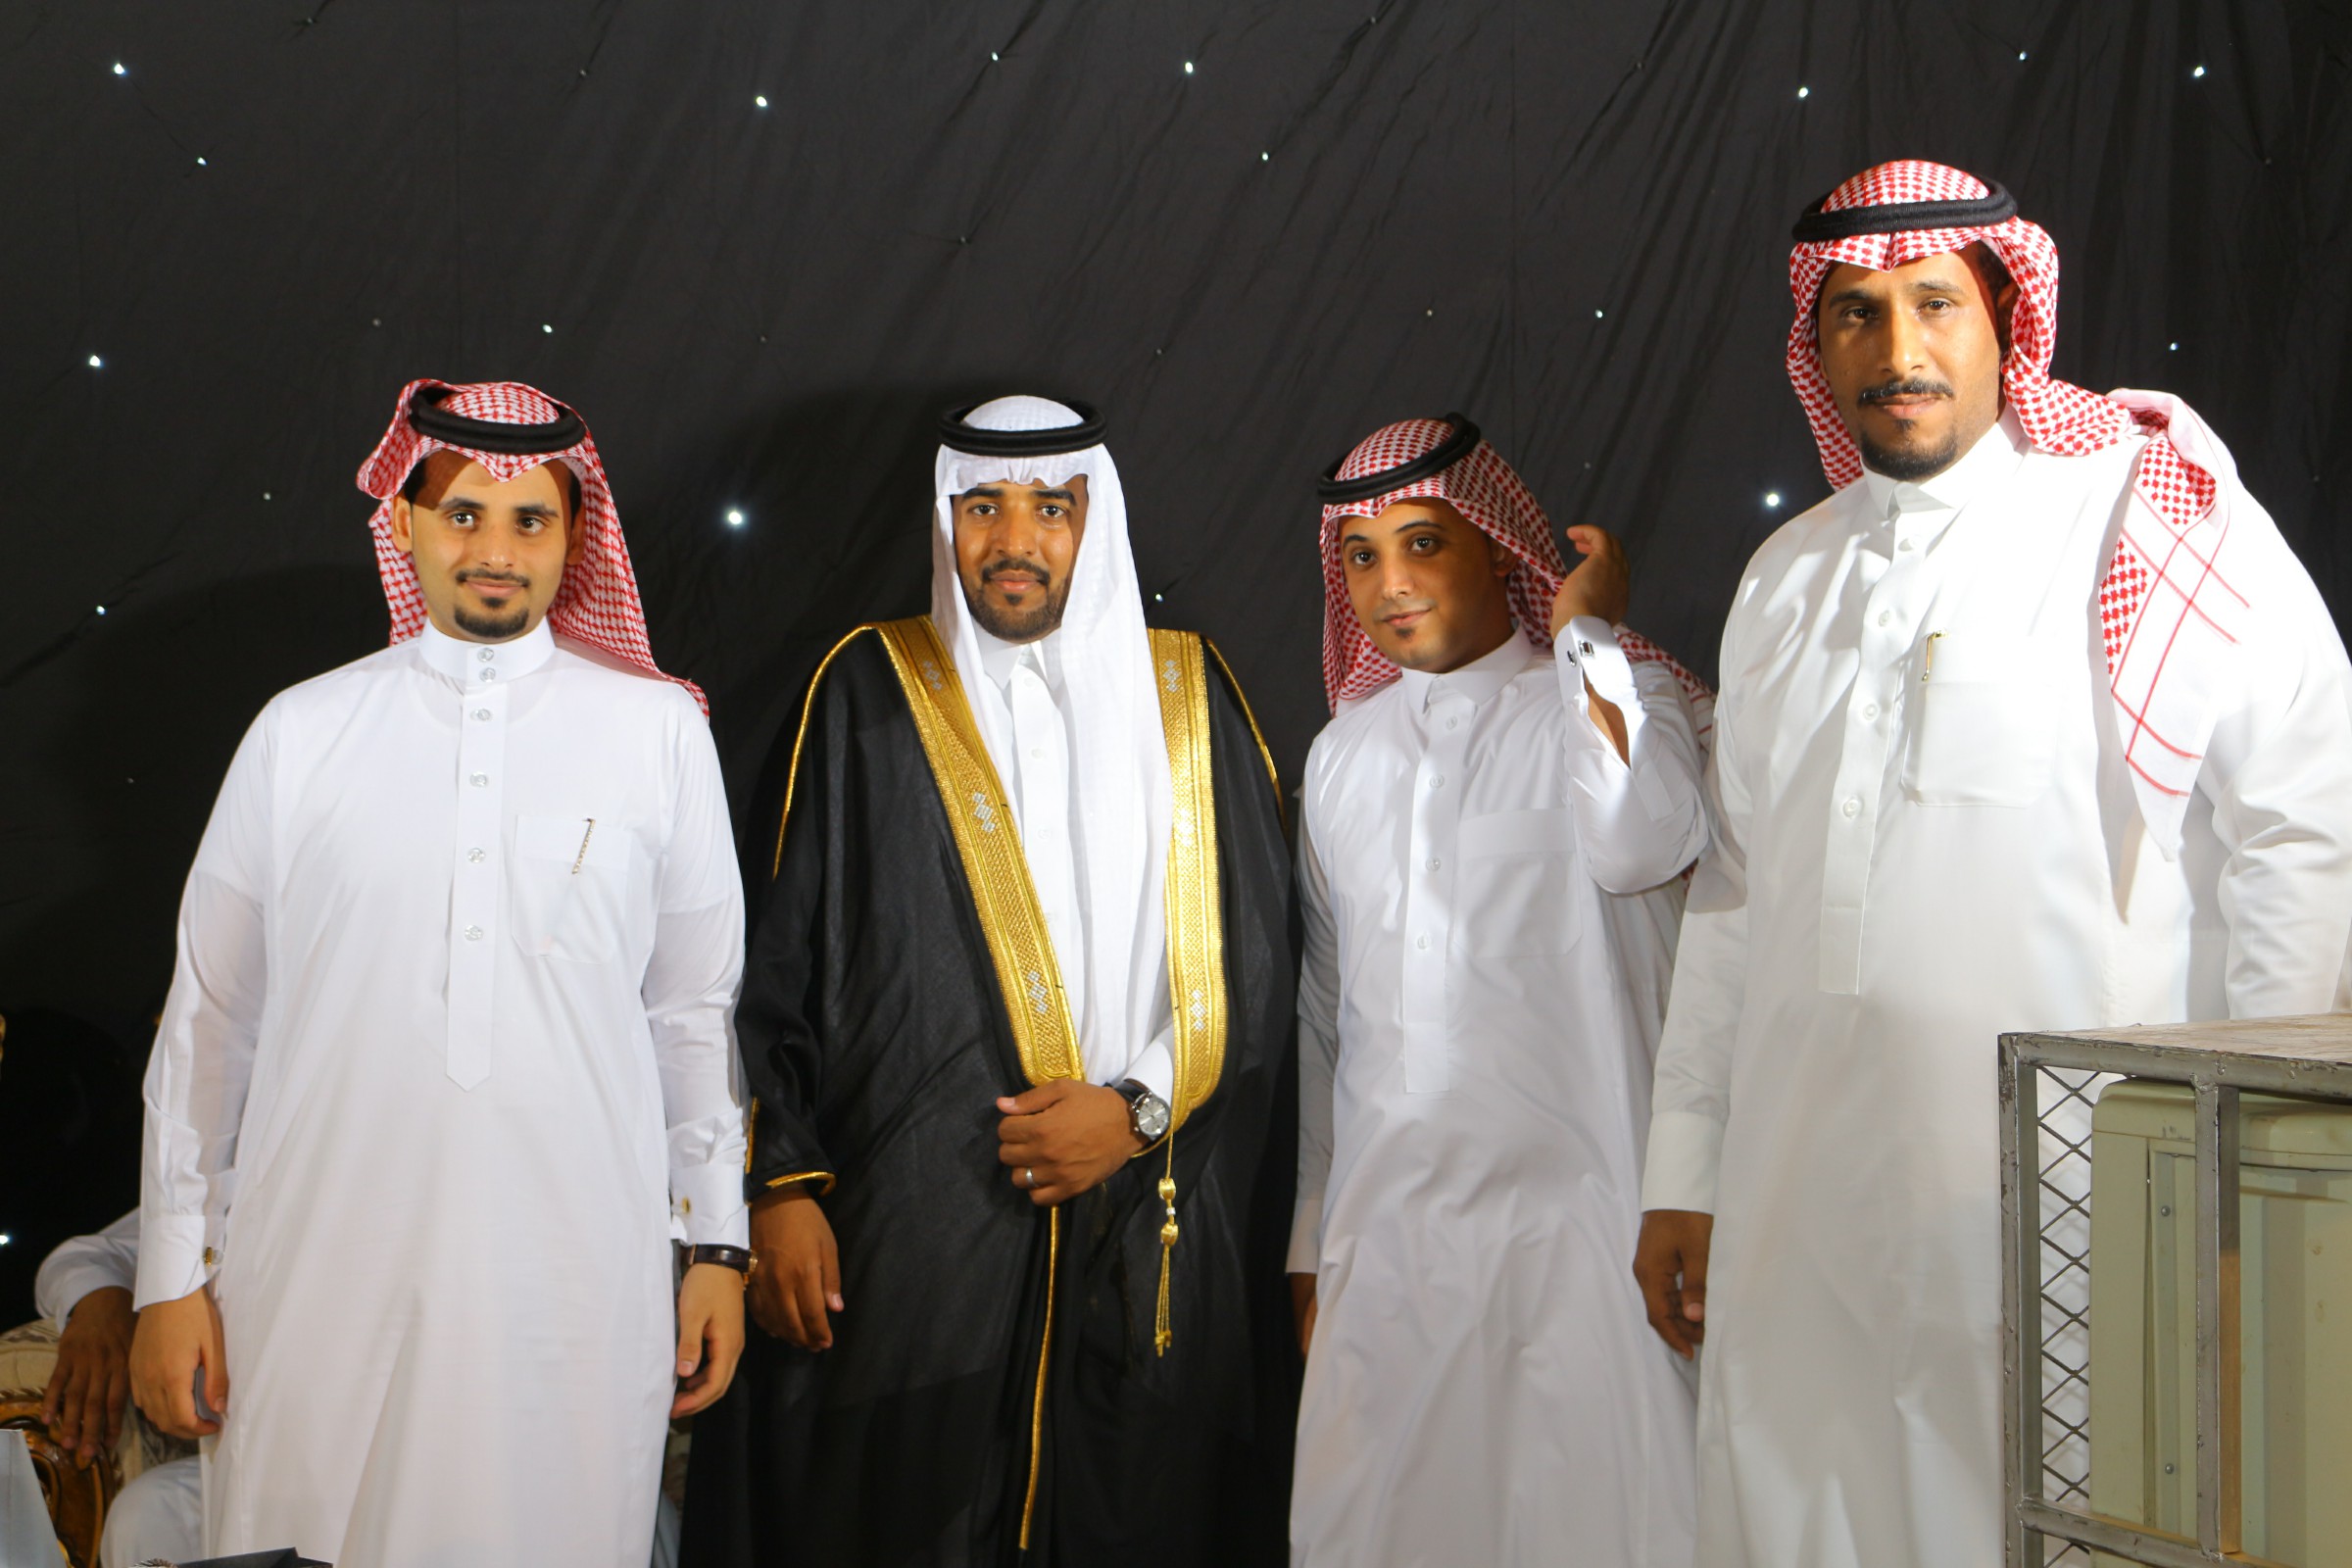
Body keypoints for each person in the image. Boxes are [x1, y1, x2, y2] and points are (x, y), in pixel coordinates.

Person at [1634, 160, 2352, 1567]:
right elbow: (1735, 889)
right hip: (1798, 1201)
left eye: (1934, 303)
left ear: (2008, 314)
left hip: (2076, 1189)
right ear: (1815, 341)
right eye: (1855, 313)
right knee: (1803, 1510)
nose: (1896, 349)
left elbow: (2301, 823)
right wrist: (1688, 1166)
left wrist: (2260, 1162)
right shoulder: (1786, 576)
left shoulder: (2153, 513)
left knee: (2066, 1509)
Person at [126, 379, 750, 1567]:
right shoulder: (302, 733)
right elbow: (211, 1021)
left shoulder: (658, 733)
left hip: (573, 1279)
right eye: (463, 514)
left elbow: (691, 1013)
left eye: (531, 521)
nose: (496, 551)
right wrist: (169, 1275)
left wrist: (717, 1245)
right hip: (318, 1271)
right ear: (405, 522)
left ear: (576, 535)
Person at [681, 395, 1298, 1566]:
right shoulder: (865, 686)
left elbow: (1256, 955)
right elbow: (769, 964)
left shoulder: (1190, 695)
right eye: (983, 507)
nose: (1015, 539)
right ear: (945, 520)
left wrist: (1134, 1111)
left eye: (1050, 507)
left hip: (1143, 1217)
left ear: (1094, 521)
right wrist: (778, 1188)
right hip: (915, 1241)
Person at [1287, 415, 1710, 1567]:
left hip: (1592, 1226)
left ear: (1496, 544)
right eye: (1361, 556)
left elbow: (1643, 842)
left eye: (1423, 543)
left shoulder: (1616, 694)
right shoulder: (1341, 757)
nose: (1389, 583)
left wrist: (1585, 637)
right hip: (1392, 1244)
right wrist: (1310, 1242)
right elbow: (1328, 1013)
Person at [37, 1211, 199, 1568]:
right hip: (248, 1462)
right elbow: (85, 1257)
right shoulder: (229, 1197)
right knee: (152, 1507)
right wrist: (103, 1300)